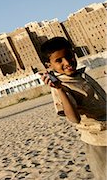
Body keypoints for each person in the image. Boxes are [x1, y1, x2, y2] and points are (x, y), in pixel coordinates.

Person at [40, 37, 106, 180]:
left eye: (69, 56)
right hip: (98, 141)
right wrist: (60, 89)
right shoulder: (61, 86)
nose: (67, 62)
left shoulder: (81, 74)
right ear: (49, 65)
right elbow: (74, 118)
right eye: (59, 61)